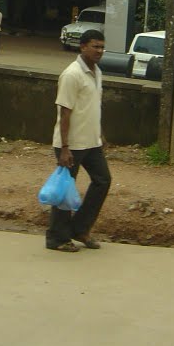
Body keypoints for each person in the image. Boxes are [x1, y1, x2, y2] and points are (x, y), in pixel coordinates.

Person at [46, 29, 111, 253]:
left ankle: (80, 229)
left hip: (91, 143)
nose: (99, 51)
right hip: (70, 145)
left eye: (102, 47)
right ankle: (56, 238)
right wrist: (64, 147)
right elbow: (64, 113)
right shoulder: (71, 74)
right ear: (82, 46)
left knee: (103, 180)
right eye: (95, 46)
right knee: (65, 191)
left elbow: (93, 106)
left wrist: (100, 134)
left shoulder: (97, 72)